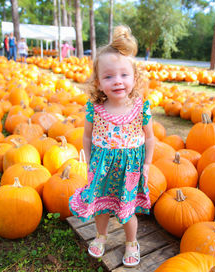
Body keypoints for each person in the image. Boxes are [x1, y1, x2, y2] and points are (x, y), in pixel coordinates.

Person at [69, 25, 154, 267]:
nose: (117, 81)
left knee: (127, 211)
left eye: (124, 75)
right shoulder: (95, 109)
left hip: (130, 168)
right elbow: (87, 136)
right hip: (102, 165)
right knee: (101, 207)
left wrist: (147, 163)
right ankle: (101, 235)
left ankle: (131, 242)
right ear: (98, 82)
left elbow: (149, 138)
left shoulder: (141, 109)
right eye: (108, 76)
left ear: (134, 77)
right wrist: (87, 157)